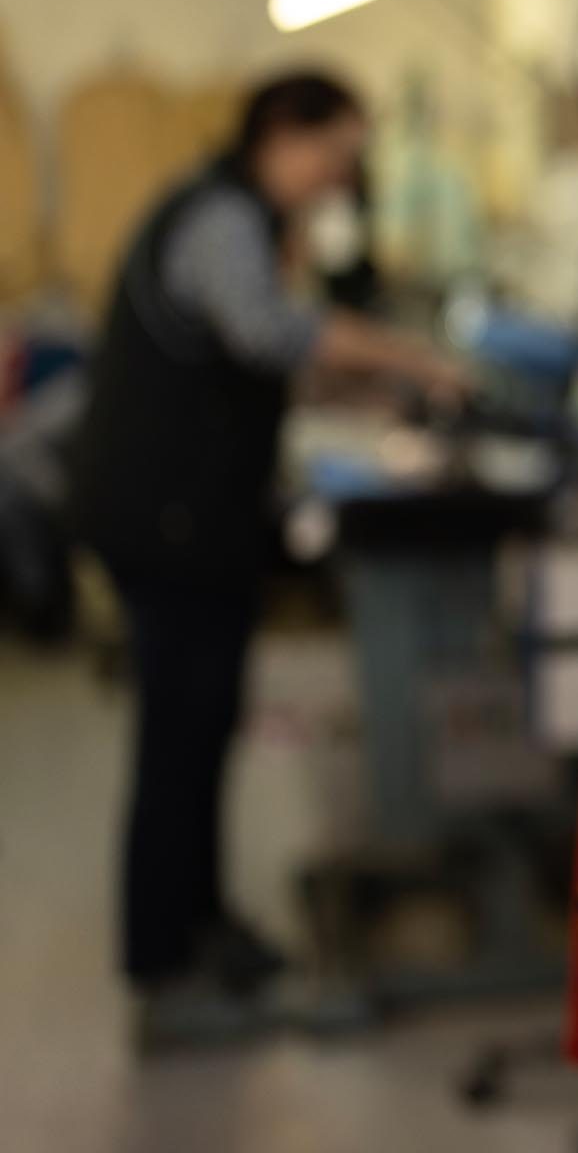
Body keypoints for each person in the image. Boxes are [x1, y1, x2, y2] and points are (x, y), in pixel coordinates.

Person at [69, 69, 469, 1042]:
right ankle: (162, 973)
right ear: (283, 137)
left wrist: (361, 396)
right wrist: (411, 361)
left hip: (196, 520)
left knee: (206, 730)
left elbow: (250, 366)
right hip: (166, 522)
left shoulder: (232, 214)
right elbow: (267, 329)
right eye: (334, 158)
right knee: (178, 741)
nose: (339, 182)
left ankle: (205, 928)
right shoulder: (219, 219)